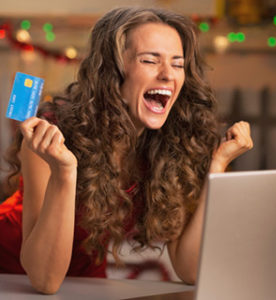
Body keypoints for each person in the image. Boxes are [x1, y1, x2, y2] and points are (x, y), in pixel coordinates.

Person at [0, 7, 253, 294]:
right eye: (149, 60)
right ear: (113, 71)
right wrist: (65, 172)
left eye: (178, 64)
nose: (168, 75)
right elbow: (44, 280)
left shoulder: (170, 145)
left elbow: (189, 269)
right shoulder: (53, 136)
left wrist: (216, 167)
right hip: (11, 275)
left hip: (85, 280)